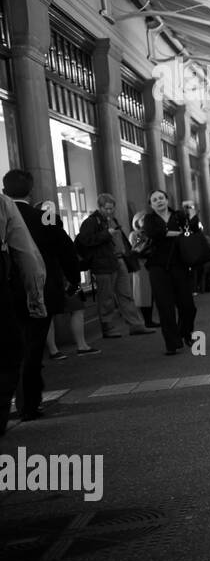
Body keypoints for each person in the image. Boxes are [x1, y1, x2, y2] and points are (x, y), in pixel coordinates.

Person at [2, 170, 57, 423]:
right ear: (30, 190)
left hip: (11, 289)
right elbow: (29, 257)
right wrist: (37, 299)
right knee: (25, 348)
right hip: (18, 289)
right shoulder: (38, 215)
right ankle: (28, 403)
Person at [76, 192, 153, 339]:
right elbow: (85, 241)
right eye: (107, 209)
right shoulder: (91, 222)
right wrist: (106, 234)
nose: (110, 211)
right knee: (106, 297)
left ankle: (136, 325)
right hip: (103, 263)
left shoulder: (111, 220)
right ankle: (108, 327)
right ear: (100, 207)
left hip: (118, 259)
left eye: (112, 208)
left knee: (126, 294)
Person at [1, 191, 45, 434]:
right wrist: (36, 298)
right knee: (12, 350)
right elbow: (28, 256)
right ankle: (23, 405)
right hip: (9, 289)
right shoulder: (4, 205)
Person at [141, 189, 197, 355]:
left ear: (167, 199)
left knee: (188, 306)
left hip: (179, 265)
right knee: (165, 307)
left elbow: (193, 229)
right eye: (155, 200)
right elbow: (154, 233)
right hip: (158, 267)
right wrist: (178, 234)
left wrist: (192, 211)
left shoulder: (179, 216)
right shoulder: (149, 218)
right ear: (151, 204)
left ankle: (184, 332)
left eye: (161, 198)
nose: (159, 201)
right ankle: (172, 344)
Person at [39, 202, 98, 357]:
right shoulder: (57, 231)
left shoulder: (36, 233)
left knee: (52, 313)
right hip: (61, 277)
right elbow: (68, 255)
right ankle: (79, 346)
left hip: (51, 277)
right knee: (72, 310)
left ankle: (56, 350)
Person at [128, 212, 157, 327]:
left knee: (150, 295)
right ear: (137, 222)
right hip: (140, 265)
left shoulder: (151, 233)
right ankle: (146, 321)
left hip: (150, 264)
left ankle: (149, 319)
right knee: (143, 294)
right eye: (142, 220)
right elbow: (137, 249)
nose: (145, 222)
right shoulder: (135, 234)